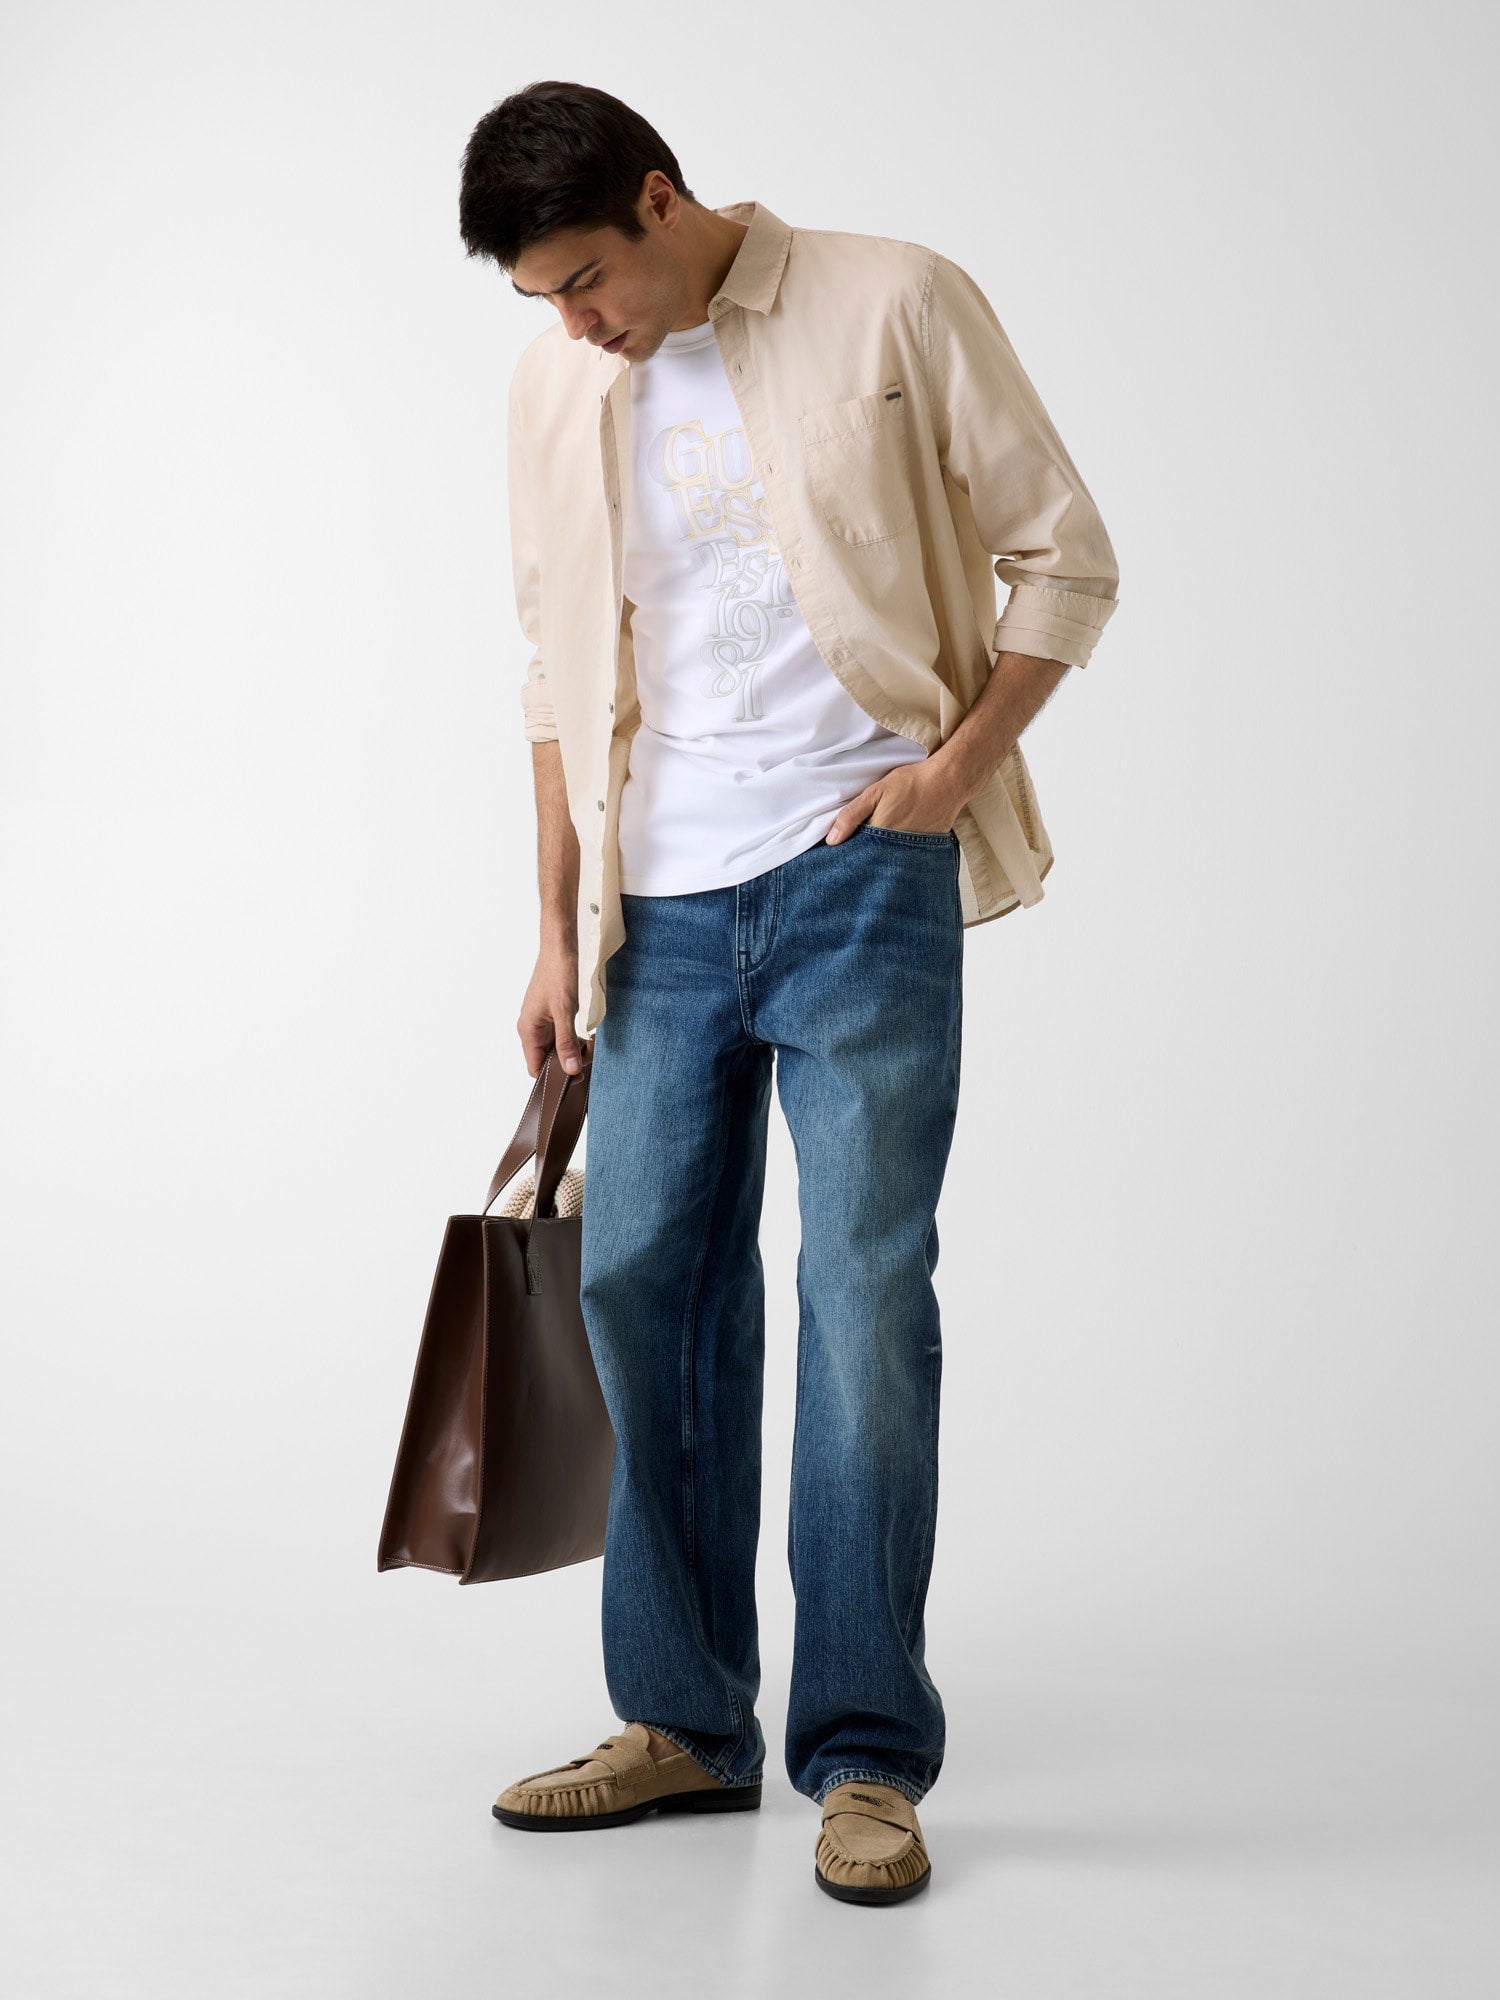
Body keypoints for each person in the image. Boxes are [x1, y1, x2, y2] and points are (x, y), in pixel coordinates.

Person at [458, 79, 1120, 1905]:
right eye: (540, 302)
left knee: (862, 1296)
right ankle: (682, 1720)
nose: (573, 327)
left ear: (661, 202)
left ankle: (868, 1754)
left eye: (585, 282)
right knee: (640, 1286)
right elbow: (550, 667)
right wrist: (553, 927)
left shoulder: (894, 298)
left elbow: (1066, 554)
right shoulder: (552, 389)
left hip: (857, 876)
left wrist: (951, 773)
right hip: (655, 910)